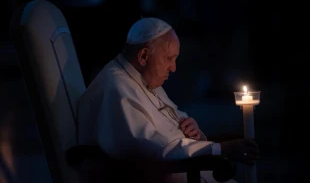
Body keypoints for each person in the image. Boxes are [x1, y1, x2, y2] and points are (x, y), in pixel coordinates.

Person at [77, 17, 260, 183]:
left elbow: (173, 120)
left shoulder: (138, 79)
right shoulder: (117, 89)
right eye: (169, 59)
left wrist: (192, 129)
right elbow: (153, 150)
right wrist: (219, 149)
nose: (173, 68)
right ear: (143, 56)